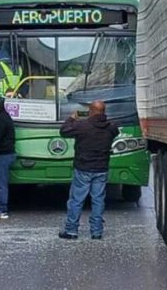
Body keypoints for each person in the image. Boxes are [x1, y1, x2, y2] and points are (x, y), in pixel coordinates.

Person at [58, 100, 119, 240]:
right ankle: (96, 232)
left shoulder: (83, 126)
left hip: (83, 168)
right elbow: (114, 130)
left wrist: (71, 118)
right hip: (101, 169)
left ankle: (71, 230)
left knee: (76, 200)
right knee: (98, 200)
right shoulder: (111, 127)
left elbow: (64, 131)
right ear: (104, 112)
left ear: (90, 111)